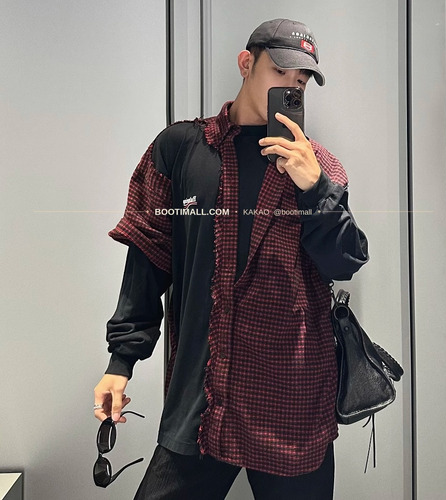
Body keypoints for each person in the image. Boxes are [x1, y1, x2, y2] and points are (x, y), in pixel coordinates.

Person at [94, 18, 369, 500]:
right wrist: (121, 361)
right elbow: (149, 257)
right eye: (280, 73)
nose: (291, 88)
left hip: (291, 406)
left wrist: (314, 188)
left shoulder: (320, 166)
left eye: (301, 82)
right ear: (246, 63)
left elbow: (344, 261)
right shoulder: (181, 149)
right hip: (204, 401)